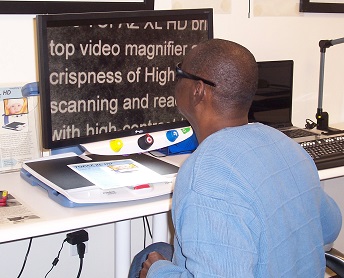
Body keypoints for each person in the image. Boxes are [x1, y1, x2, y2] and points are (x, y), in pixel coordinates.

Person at [129, 38, 342, 277]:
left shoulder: (206, 173)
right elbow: (330, 227)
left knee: (147, 262)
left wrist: (157, 272)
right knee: (158, 251)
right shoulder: (286, 145)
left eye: (180, 72)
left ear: (198, 91)